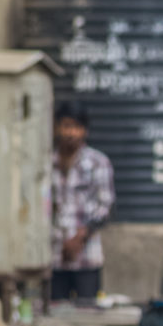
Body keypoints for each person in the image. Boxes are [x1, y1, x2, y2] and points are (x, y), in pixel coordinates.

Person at [49, 102, 115, 304]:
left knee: (88, 314)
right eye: (66, 126)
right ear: (56, 127)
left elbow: (105, 207)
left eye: (76, 127)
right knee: (54, 315)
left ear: (84, 131)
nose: (71, 133)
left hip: (87, 258)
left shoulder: (97, 163)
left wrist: (79, 238)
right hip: (53, 257)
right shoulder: (45, 163)